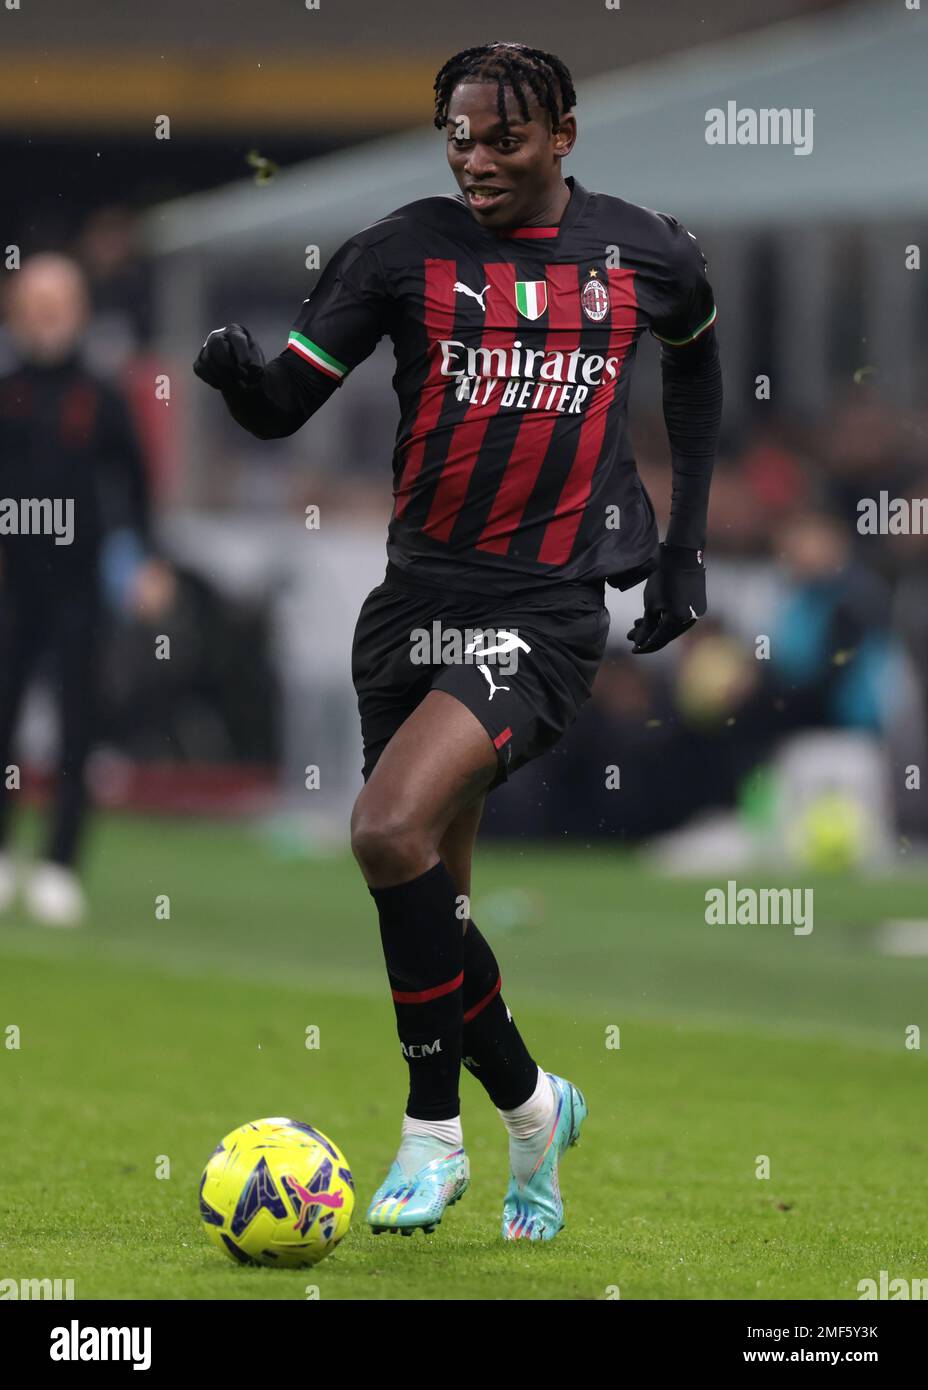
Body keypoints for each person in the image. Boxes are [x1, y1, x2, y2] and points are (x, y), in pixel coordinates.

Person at [194, 42, 723, 1242]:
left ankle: (432, 1133)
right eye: (460, 137)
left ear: (564, 138)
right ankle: (535, 1109)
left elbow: (696, 376)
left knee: (382, 827)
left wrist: (683, 543)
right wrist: (236, 384)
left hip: (541, 611)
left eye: (503, 139)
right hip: (411, 606)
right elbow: (287, 400)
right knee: (432, 897)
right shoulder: (401, 251)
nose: (476, 160)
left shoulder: (648, 253)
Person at [0, 254, 168, 925]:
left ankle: (60, 865)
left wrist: (148, 561)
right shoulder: (6, 390)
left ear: (79, 310)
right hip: (10, 588)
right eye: (33, 301)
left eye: (58, 301)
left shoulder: (100, 395)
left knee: (77, 729)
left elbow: (136, 486)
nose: (46, 314)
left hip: (77, 588)